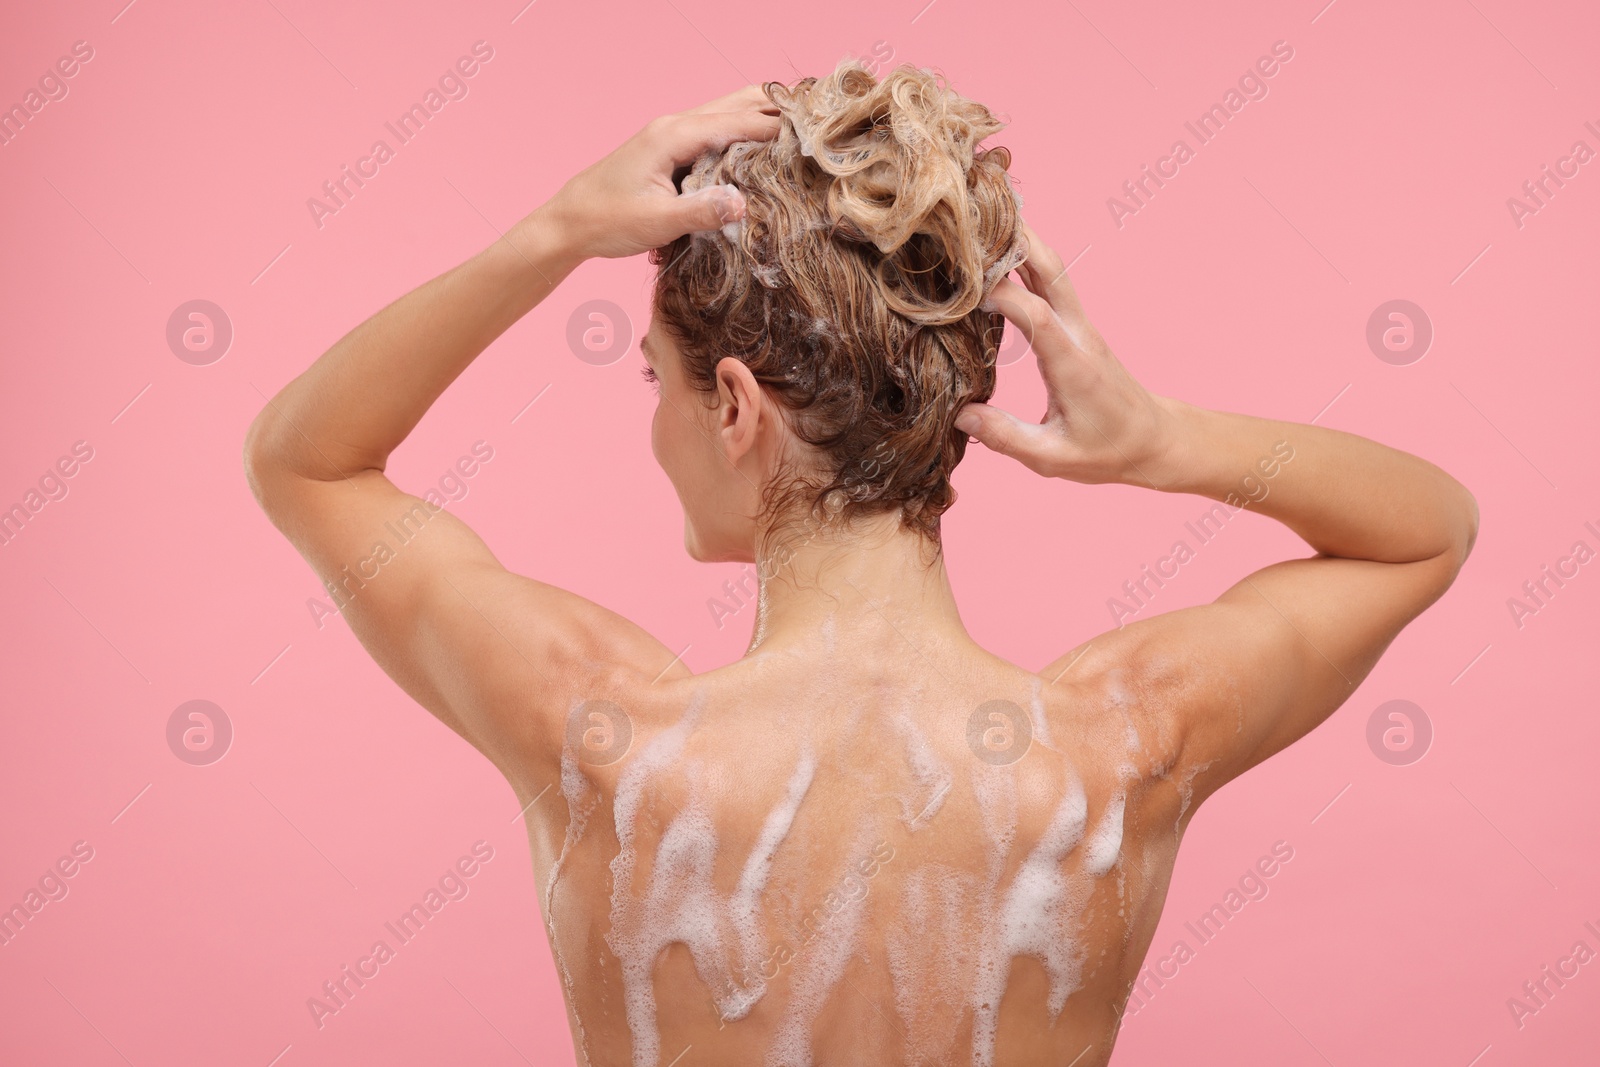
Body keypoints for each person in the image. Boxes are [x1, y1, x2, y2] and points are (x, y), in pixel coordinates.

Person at [244, 59, 1477, 1067]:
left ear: (735, 404)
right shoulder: (1122, 737)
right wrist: (1158, 440)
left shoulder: (600, 733)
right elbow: (1426, 527)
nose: (651, 423)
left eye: (653, 383)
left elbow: (309, 462)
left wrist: (557, 230)